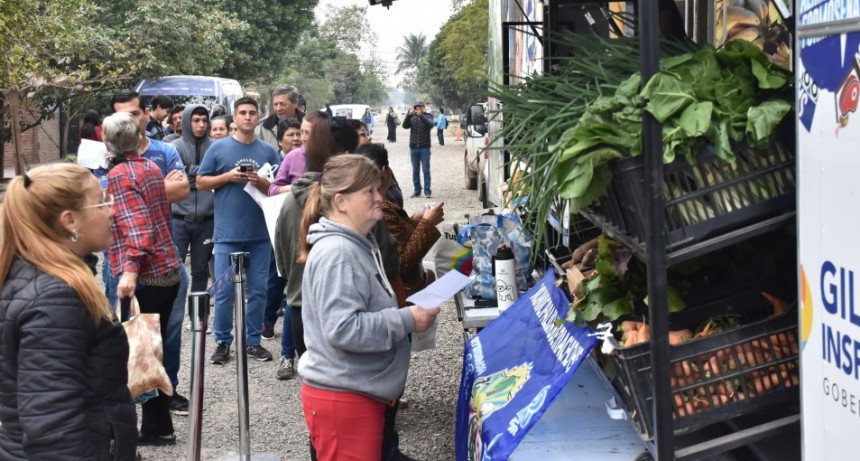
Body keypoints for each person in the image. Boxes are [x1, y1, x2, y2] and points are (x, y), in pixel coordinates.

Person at [297, 154, 439, 461]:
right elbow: (343, 329)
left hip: (356, 395)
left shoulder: (357, 243)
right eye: (370, 192)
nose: (380, 198)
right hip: (345, 399)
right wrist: (407, 319)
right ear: (341, 201)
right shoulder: (339, 253)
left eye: (379, 188)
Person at [0, 163, 137, 460]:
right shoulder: (55, 298)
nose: (112, 210)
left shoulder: (45, 279)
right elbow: (52, 428)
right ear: (69, 220)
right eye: (102, 200)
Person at [110, 89, 191, 417]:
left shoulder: (120, 174)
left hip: (147, 273)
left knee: (139, 349)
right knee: (151, 348)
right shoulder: (148, 168)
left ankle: (148, 424)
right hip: (166, 268)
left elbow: (140, 230)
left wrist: (129, 272)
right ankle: (159, 426)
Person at [273, 113, 358, 381]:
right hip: (342, 309)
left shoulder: (291, 200)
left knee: (316, 383)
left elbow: (282, 258)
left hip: (299, 305)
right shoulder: (348, 200)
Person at [197, 96, 281, 365]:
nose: (247, 117)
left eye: (252, 113)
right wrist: (227, 177)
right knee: (222, 291)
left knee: (259, 290)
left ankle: (253, 342)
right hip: (227, 234)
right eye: (242, 113)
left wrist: (260, 180)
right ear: (234, 118)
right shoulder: (219, 149)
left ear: (258, 118)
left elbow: (277, 190)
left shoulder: (268, 151)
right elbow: (200, 181)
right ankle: (222, 341)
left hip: (260, 234)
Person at [357, 143, 444, 295]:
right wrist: (427, 223)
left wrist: (414, 221)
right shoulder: (380, 208)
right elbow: (401, 263)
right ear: (385, 172)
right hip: (403, 296)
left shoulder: (370, 205)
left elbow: (397, 238)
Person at [170, 105, 214, 295]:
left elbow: (216, 177)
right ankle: (174, 318)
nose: (201, 125)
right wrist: (204, 176)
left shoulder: (215, 146)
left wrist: (190, 171)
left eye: (204, 120)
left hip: (207, 219)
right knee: (174, 270)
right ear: (187, 122)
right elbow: (178, 180)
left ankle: (199, 320)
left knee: (200, 270)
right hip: (179, 218)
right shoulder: (174, 148)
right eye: (196, 120)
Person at [402, 101, 435, 199]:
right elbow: (404, 126)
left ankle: (427, 191)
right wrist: (408, 115)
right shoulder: (412, 118)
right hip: (414, 148)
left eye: (420, 107)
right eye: (416, 107)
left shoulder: (428, 116)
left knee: (426, 170)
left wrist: (421, 116)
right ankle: (417, 191)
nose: (418, 109)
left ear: (423, 107)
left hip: (425, 147)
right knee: (415, 171)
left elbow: (430, 125)